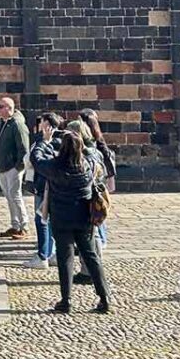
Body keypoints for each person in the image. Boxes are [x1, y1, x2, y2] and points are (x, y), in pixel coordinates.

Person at [30, 129, 110, 314]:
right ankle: (104, 297)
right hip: (84, 217)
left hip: (61, 217)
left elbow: (36, 158)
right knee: (91, 256)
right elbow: (92, 152)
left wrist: (45, 141)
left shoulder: (54, 166)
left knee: (65, 258)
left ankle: (66, 300)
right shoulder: (88, 164)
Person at [66, 119, 108, 285]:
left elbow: (87, 177)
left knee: (92, 235)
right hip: (93, 195)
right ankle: (90, 269)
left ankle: (89, 271)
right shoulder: (92, 150)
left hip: (89, 197)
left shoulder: (87, 153)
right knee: (92, 234)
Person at [23, 112, 63, 270]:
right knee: (52, 222)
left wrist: (44, 142)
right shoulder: (63, 142)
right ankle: (52, 253)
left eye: (43, 123)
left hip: (44, 187)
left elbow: (33, 159)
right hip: (55, 187)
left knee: (42, 220)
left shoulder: (46, 143)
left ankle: (42, 255)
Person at [0, 97, 30, 239]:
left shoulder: (17, 124)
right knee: (9, 196)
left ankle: (24, 226)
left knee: (15, 196)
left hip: (12, 168)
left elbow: (24, 148)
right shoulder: (1, 122)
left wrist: (18, 167)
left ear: (9, 108)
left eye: (1, 106)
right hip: (1, 166)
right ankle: (15, 225)